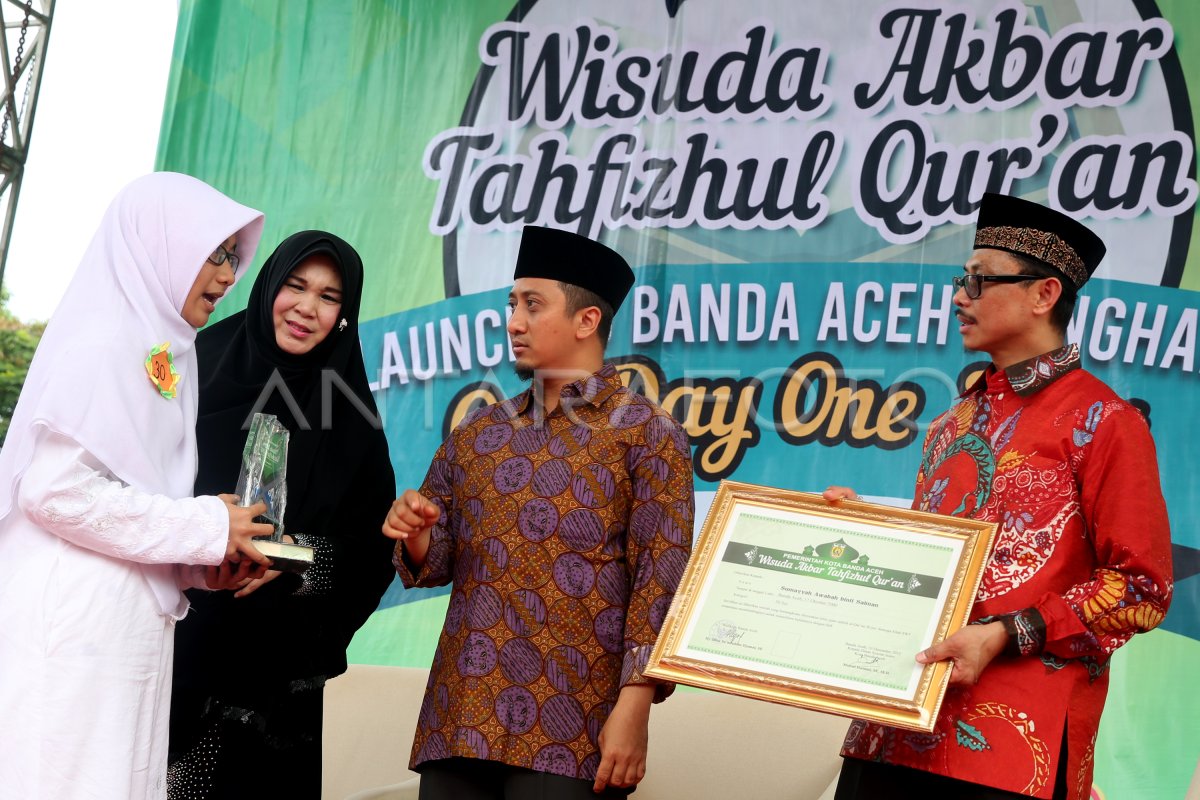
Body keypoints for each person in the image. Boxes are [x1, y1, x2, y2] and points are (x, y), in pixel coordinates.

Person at [826, 193, 1173, 800]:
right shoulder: (953, 423)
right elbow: (944, 565)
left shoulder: (1105, 421)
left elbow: (1141, 589)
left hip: (1011, 750)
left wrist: (1005, 632)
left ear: (1043, 294)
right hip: (897, 726)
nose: (959, 296)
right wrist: (866, 533)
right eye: (963, 280)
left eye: (979, 281)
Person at [382, 225, 695, 799]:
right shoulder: (479, 432)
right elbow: (436, 561)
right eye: (512, 304)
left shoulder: (648, 435)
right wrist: (418, 530)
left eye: (532, 305)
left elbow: (661, 583)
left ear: (586, 321)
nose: (514, 322)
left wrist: (635, 708)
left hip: (574, 724)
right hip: (463, 713)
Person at [0, 172, 275, 799]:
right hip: (72, 631)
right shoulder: (104, 343)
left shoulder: (168, 355)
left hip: (123, 636)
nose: (230, 275)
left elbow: (131, 496)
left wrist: (202, 563)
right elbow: (52, 491)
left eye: (233, 257)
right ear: (162, 244)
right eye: (215, 253)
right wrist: (206, 526)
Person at [166, 231, 397, 799]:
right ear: (270, 284)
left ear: (345, 314)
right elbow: (129, 493)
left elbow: (374, 551)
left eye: (328, 296)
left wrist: (289, 558)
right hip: (165, 651)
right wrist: (200, 537)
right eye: (296, 286)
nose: (306, 308)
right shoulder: (189, 371)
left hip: (270, 693)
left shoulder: (348, 413)